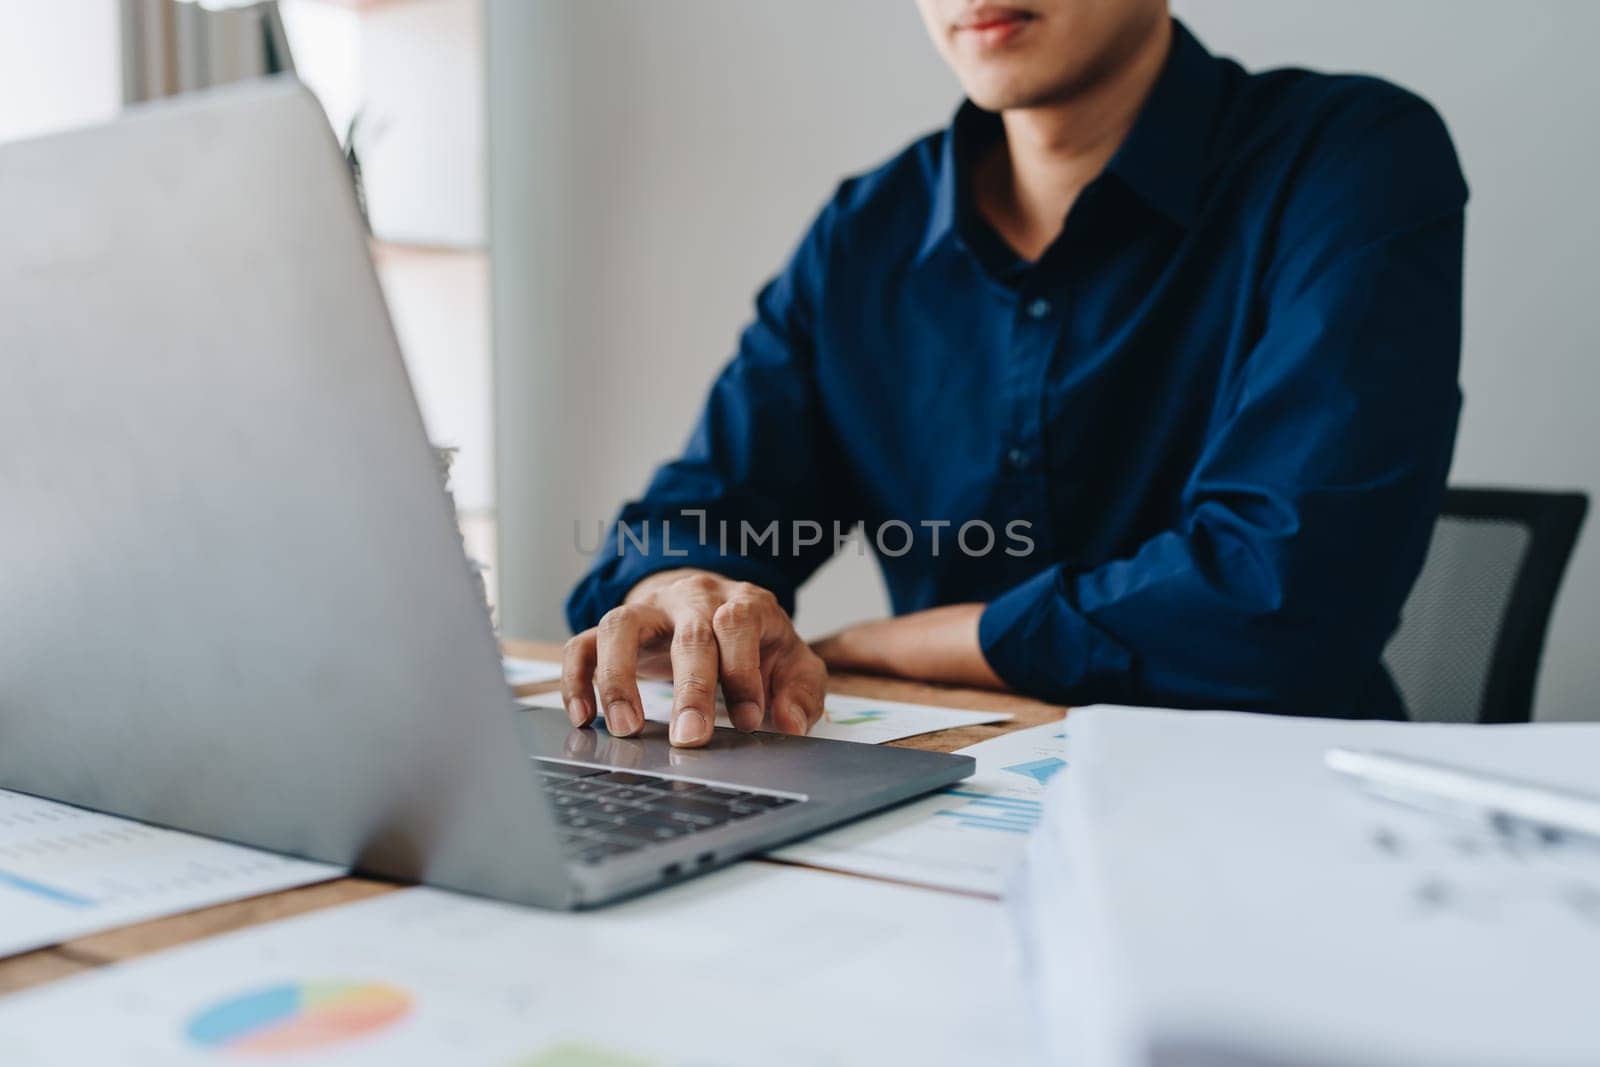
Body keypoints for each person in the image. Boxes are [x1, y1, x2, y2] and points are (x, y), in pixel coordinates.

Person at [560, 0, 1468, 747]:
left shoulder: (1354, 159)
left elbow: (1284, 596)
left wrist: (896, 642)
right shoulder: (864, 234)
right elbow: (699, 513)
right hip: (949, 801)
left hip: (1275, 806)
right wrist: (683, 593)